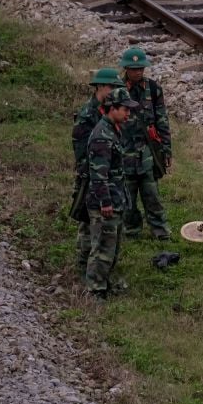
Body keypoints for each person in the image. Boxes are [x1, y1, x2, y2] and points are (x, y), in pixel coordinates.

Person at [70, 68, 125, 281]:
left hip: (102, 176)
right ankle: (85, 268)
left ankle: (91, 269)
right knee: (88, 223)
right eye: (111, 87)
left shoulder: (106, 111)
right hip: (91, 177)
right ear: (100, 87)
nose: (113, 92)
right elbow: (81, 149)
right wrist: (93, 177)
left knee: (93, 226)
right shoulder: (88, 114)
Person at [85, 89, 138, 298]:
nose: (128, 114)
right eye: (125, 110)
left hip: (115, 199)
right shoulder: (102, 136)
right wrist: (105, 202)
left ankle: (105, 284)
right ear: (112, 109)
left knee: (111, 247)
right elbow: (99, 175)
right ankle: (95, 290)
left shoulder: (113, 130)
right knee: (101, 250)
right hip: (105, 203)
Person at [118, 46, 171, 240]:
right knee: (127, 196)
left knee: (152, 195)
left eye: (141, 68)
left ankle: (160, 231)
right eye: (133, 68)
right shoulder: (117, 90)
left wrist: (166, 150)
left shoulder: (154, 89)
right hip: (123, 151)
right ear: (126, 69)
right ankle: (131, 231)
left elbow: (162, 120)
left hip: (147, 152)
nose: (138, 72)